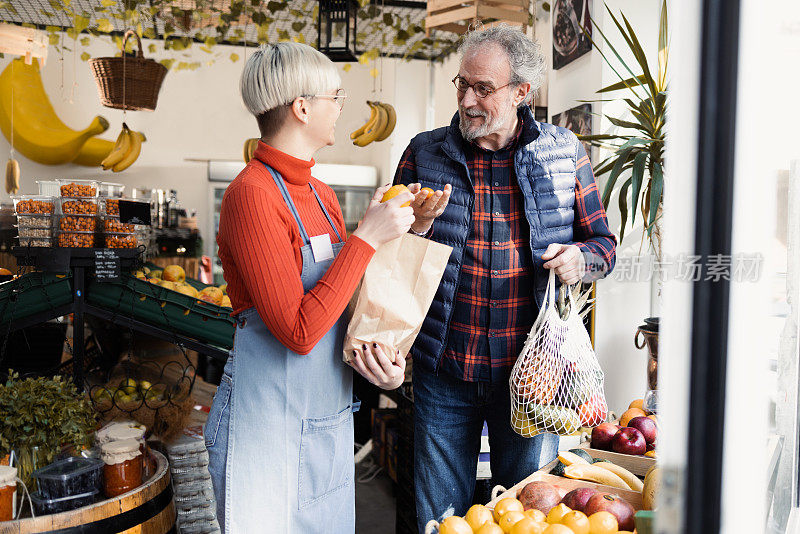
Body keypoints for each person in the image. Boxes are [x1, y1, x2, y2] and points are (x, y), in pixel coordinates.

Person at [391, 25, 618, 531]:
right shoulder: (424, 153)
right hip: (443, 367)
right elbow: (389, 255)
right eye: (462, 84)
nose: (468, 100)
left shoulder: (564, 153)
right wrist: (416, 227)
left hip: (533, 380)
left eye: (484, 88)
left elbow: (604, 245)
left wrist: (582, 260)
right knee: (441, 520)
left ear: (522, 92)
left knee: (532, 515)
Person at [204, 42, 414, 533]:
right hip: (264, 432)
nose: (342, 108)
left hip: (323, 421)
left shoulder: (320, 195)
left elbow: (339, 305)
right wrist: (364, 238)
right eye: (335, 96)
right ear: (302, 107)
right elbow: (298, 331)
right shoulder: (250, 195)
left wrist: (381, 363)